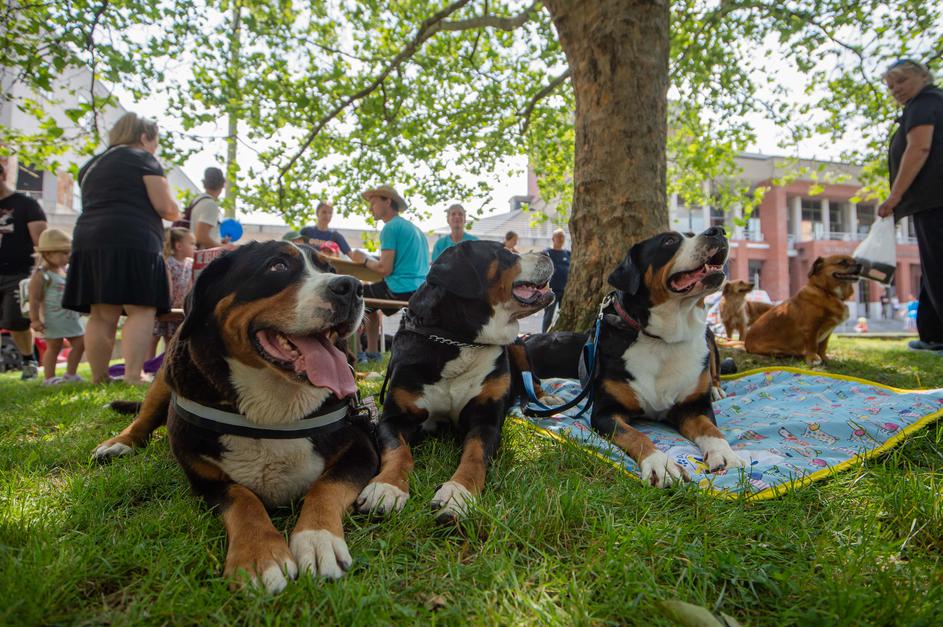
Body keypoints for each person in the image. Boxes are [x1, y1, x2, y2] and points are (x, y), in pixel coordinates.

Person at [63, 112, 180, 384]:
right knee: (141, 308)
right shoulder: (143, 159)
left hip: (89, 238)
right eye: (155, 142)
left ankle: (99, 377)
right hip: (134, 237)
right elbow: (165, 207)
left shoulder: (91, 165)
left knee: (102, 312)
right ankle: (133, 375)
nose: (154, 148)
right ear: (144, 137)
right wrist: (176, 210)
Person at [877, 59, 943, 352]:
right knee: (932, 267)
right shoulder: (928, 103)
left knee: (938, 266)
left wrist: (894, 197)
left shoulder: (924, 103)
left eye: (901, 81)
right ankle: (933, 335)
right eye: (891, 86)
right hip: (931, 202)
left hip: (935, 200)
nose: (896, 90)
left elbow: (919, 148)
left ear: (923, 76)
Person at [349, 185, 429, 362]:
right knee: (371, 305)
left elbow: (385, 269)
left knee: (355, 298)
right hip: (420, 290)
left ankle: (357, 353)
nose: (370, 209)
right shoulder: (415, 229)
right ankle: (372, 353)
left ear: (388, 201)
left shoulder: (390, 228)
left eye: (373, 203)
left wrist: (364, 259)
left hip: (399, 288)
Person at [0, 155, 47, 379]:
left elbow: (42, 243)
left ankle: (28, 360)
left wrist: (38, 271)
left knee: (16, 322)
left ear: (2, 176)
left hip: (18, 273)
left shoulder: (26, 205)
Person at [27, 229, 85, 385]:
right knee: (54, 346)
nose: (68, 257)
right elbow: (34, 299)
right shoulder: (42, 274)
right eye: (64, 253)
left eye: (69, 253)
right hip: (53, 319)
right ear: (48, 253)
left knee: (81, 343)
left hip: (70, 318)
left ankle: (71, 374)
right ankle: (49, 378)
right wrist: (35, 320)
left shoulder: (64, 271)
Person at [151, 228, 194, 358]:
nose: (195, 247)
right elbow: (166, 287)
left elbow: (190, 286)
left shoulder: (190, 264)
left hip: (178, 308)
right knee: (153, 338)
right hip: (165, 307)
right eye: (191, 243)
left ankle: (165, 364)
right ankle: (147, 364)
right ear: (179, 246)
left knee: (171, 340)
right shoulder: (168, 263)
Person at [188, 167, 231, 250]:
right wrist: (223, 247)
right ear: (222, 184)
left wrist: (218, 242)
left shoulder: (197, 200)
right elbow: (201, 237)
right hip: (202, 255)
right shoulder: (211, 205)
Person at [542, 228, 571, 332]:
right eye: (558, 236)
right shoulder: (546, 253)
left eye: (562, 237)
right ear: (553, 238)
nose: (560, 239)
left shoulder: (568, 253)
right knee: (548, 317)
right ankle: (544, 336)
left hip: (565, 291)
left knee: (565, 316)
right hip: (550, 291)